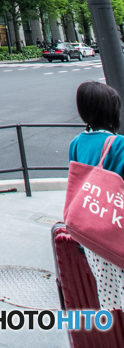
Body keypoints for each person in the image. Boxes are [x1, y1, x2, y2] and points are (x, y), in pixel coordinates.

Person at [69, 81, 124, 310]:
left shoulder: (76, 143)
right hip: (116, 232)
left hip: (90, 231)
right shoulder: (118, 144)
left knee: (110, 296)